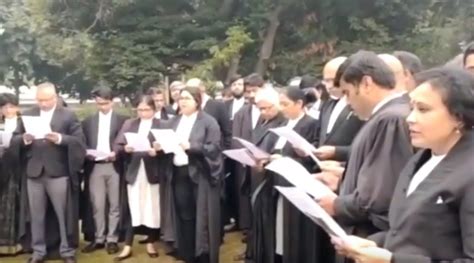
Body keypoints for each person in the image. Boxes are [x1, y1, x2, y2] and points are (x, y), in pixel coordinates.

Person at [332, 67, 474, 263]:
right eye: (411, 108)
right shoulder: (421, 159)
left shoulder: (468, 172)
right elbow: (408, 231)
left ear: (458, 117)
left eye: (423, 109)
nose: (410, 118)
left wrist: (392, 260)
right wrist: (374, 243)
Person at [315, 51, 414, 263]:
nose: (348, 102)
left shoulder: (391, 120)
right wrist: (342, 179)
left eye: (348, 93)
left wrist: (338, 204)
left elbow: (381, 194)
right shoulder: (384, 117)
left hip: (371, 237)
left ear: (367, 83)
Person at [13, 82, 85, 263]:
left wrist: (60, 138)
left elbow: (79, 141)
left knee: (63, 214)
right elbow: (15, 138)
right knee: (36, 215)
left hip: (58, 172)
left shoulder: (68, 115)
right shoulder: (28, 114)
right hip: (34, 172)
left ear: (55, 97)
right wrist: (24, 139)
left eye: (46, 100)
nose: (42, 103)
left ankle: (66, 250)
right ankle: (38, 251)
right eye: (39, 100)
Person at [157, 86, 223, 263]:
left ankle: (203, 254)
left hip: (200, 174)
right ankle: (187, 252)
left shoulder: (209, 122)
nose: (183, 101)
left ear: (197, 101)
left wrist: (192, 147)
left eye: (187, 98)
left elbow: (214, 148)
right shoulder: (172, 122)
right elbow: (167, 146)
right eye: (180, 98)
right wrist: (160, 147)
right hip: (179, 172)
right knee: (184, 214)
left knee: (202, 216)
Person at [270, 87, 322, 263]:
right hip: (278, 181)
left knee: (294, 230)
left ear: (299, 103)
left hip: (297, 182)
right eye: (281, 104)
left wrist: (285, 157)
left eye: (286, 104)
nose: (282, 108)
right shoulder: (282, 124)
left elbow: (314, 158)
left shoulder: (311, 124)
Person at [112, 95, 163, 261]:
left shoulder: (161, 125)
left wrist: (157, 151)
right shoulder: (130, 124)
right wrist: (125, 148)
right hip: (134, 170)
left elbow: (168, 147)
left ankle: (151, 241)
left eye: (147, 109)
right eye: (140, 109)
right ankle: (127, 245)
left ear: (154, 110)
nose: (143, 113)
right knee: (133, 206)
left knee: (152, 206)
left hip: (153, 170)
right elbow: (118, 145)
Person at [81, 87, 127, 255]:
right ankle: (99, 238)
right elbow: (82, 143)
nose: (102, 107)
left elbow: (126, 143)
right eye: (99, 103)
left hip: (114, 165)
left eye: (105, 103)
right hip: (95, 166)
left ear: (112, 101)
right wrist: (88, 153)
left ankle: (112, 238)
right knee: (97, 204)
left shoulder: (123, 120)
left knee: (115, 204)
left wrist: (117, 153)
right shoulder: (88, 122)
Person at [245, 87, 287, 263]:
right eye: (260, 109)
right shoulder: (262, 122)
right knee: (257, 219)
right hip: (257, 175)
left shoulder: (283, 123)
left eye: (267, 108)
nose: (263, 112)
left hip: (271, 180)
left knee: (269, 221)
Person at [316, 57, 364, 162]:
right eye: (326, 81)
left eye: (333, 80)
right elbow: (318, 136)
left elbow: (365, 147)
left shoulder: (360, 106)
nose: (329, 86)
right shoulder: (327, 105)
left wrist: (336, 151)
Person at [0, 93, 23, 255]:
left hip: (19, 169)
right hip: (1, 168)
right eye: (4, 106)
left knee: (17, 204)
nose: (8, 110)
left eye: (11, 106)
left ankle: (19, 243)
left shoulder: (23, 124)